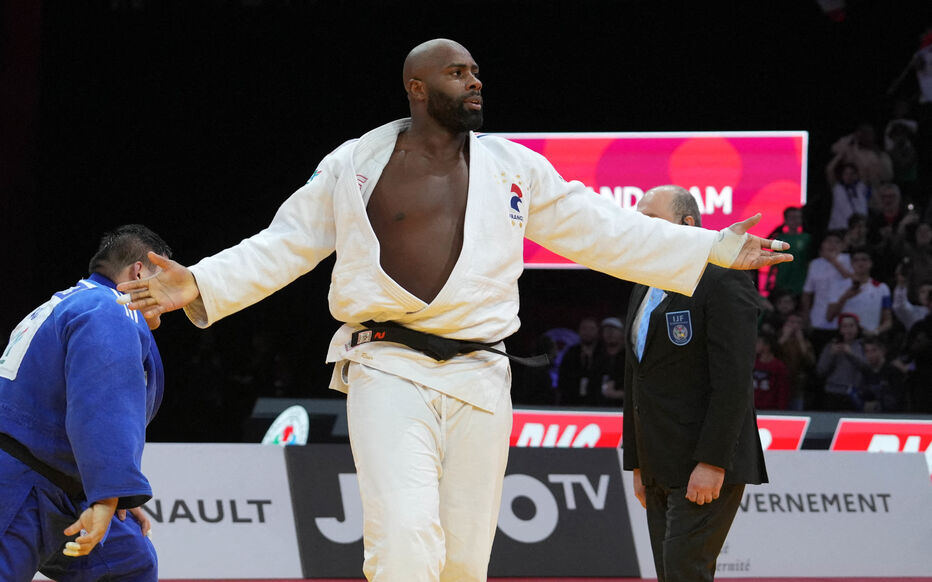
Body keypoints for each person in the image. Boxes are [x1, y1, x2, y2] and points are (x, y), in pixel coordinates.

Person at [116, 40, 789, 582]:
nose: (474, 81)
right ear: (416, 86)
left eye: (475, 71)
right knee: (405, 541)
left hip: (480, 375)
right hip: (385, 362)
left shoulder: (512, 167)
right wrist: (200, 284)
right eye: (457, 72)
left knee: (466, 560)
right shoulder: (357, 163)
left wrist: (715, 249)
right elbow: (285, 242)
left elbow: (609, 231)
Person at [0, 224, 170, 582]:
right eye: (166, 277)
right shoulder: (111, 308)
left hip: (58, 483)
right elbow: (100, 406)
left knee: (129, 564)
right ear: (138, 272)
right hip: (20, 482)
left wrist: (113, 492)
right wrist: (109, 494)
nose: (173, 295)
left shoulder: (70, 301)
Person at [621, 185, 768, 582]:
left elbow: (734, 381)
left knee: (686, 572)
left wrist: (713, 462)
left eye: (651, 218)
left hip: (703, 461)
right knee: (670, 574)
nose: (640, 227)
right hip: (657, 463)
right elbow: (637, 376)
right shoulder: (643, 280)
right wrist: (637, 462)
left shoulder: (723, 279)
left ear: (688, 224)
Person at [825, 247, 892, 337]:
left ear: (871, 263)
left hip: (869, 338)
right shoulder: (838, 286)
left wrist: (875, 332)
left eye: (864, 259)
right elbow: (829, 317)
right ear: (851, 264)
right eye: (856, 260)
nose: (860, 263)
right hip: (846, 338)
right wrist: (845, 297)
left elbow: (888, 321)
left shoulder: (882, 288)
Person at [815, 312, 866, 411]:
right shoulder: (831, 346)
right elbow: (820, 371)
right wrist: (831, 355)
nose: (848, 330)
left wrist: (851, 354)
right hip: (832, 392)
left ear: (857, 327)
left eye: (851, 326)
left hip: (854, 393)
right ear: (840, 329)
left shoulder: (863, 346)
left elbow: (867, 368)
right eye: (844, 326)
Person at [556, 316, 602, 406]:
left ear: (598, 332)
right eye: (584, 328)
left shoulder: (603, 352)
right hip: (572, 402)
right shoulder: (571, 353)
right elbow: (562, 379)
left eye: (592, 328)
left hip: (597, 403)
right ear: (578, 331)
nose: (587, 332)